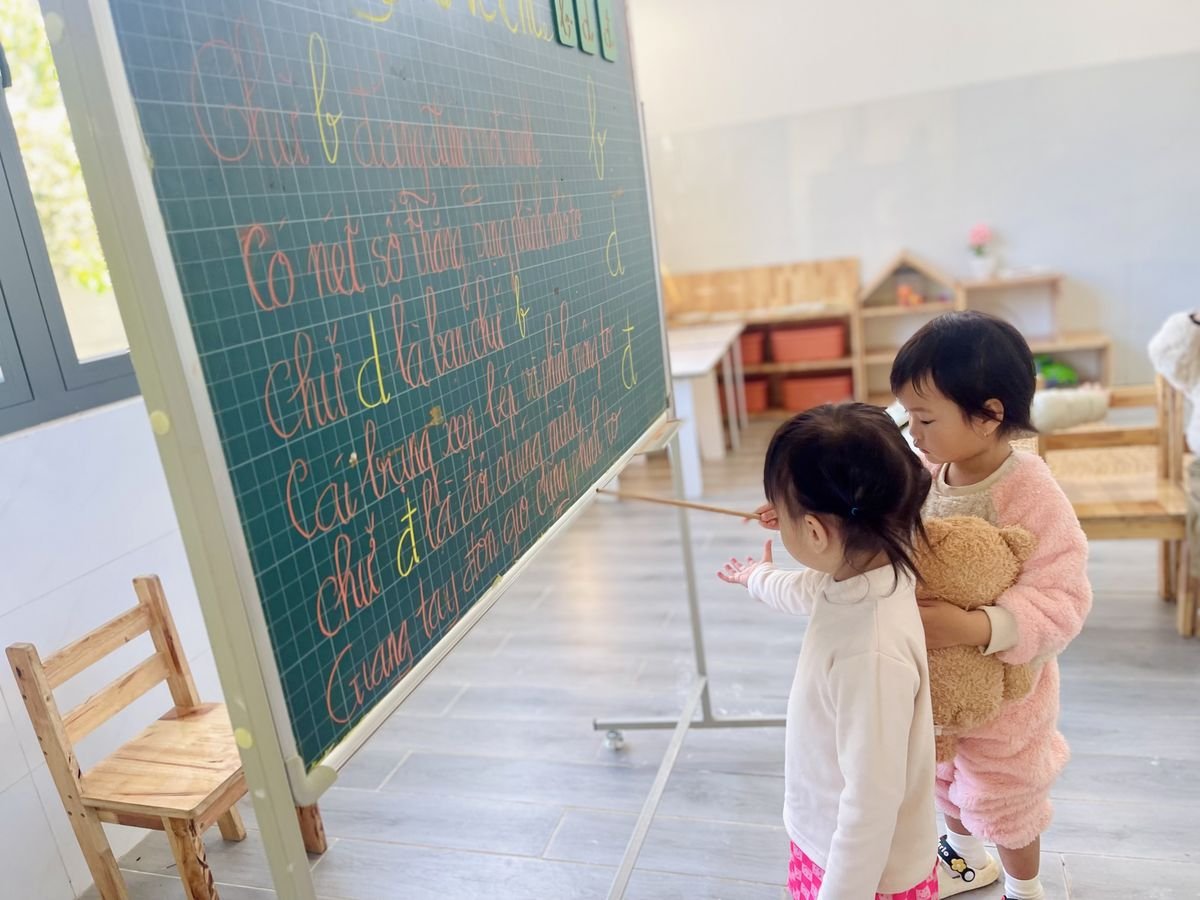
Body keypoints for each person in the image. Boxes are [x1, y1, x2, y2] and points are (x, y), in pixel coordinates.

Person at [890, 311, 1092, 899]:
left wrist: (974, 626)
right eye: (908, 416)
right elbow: (882, 512)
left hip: (1009, 692)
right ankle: (965, 860)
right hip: (938, 679)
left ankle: (1024, 888)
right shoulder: (927, 468)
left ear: (989, 415)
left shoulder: (1029, 489)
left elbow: (1065, 597)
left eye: (925, 418)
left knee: (1005, 795)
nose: (913, 431)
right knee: (942, 775)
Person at [721, 402, 938, 900]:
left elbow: (871, 805)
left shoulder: (871, 653)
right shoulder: (870, 569)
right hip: (825, 839)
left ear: (816, 532)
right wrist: (758, 576)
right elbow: (807, 588)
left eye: (783, 512)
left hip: (864, 875)